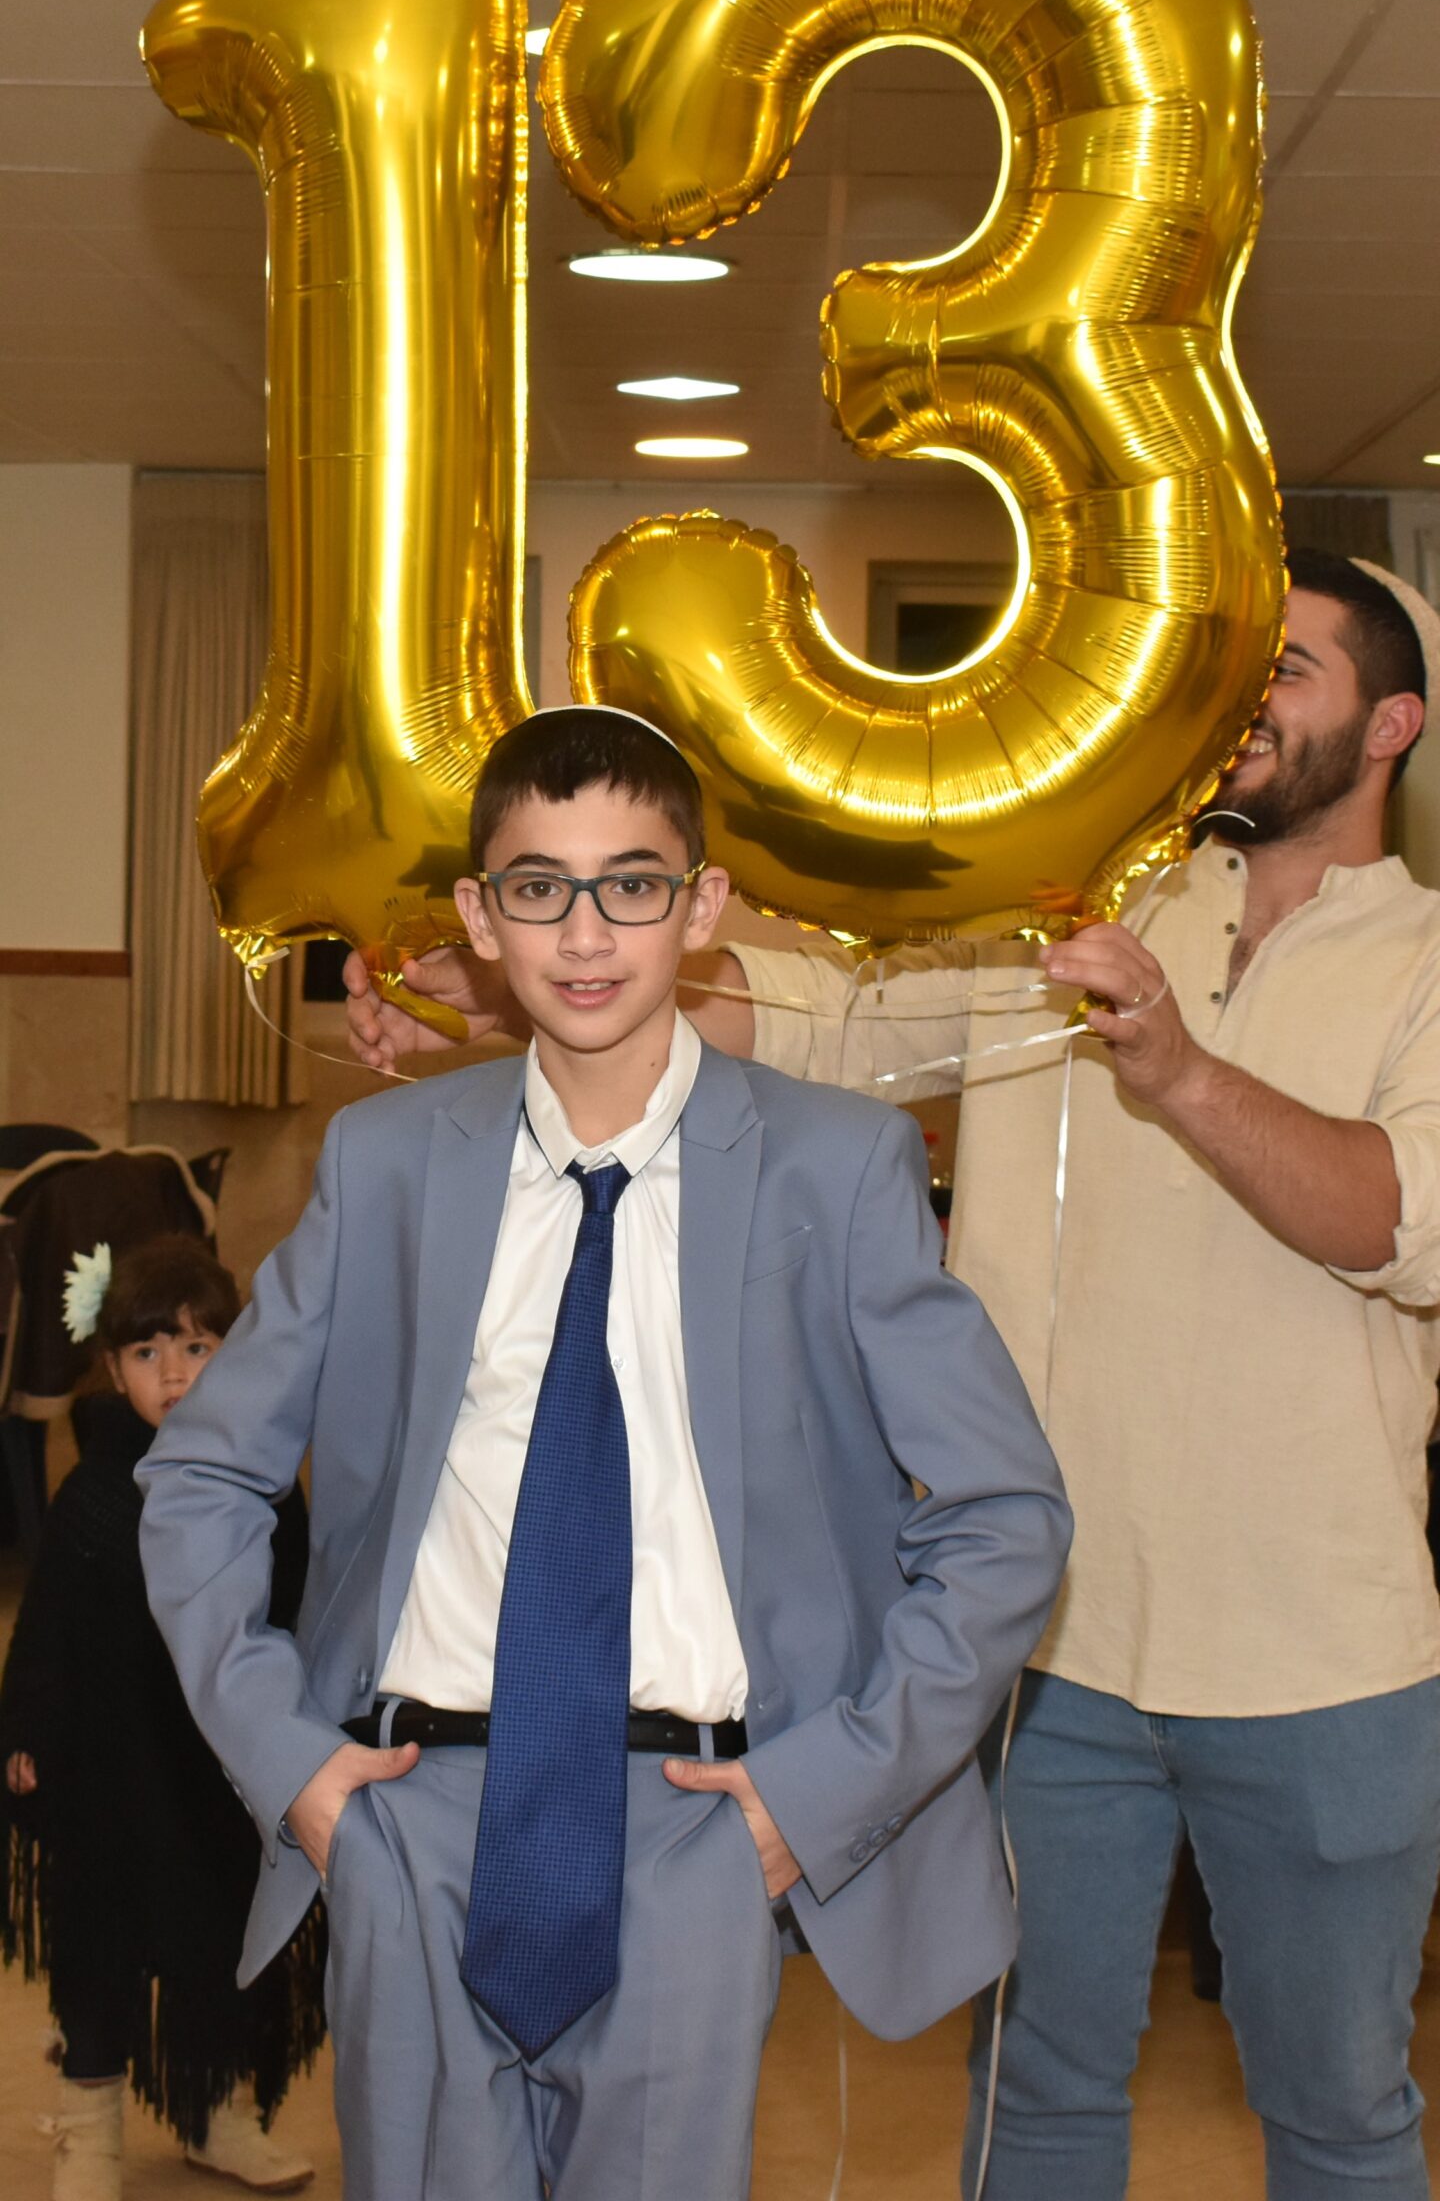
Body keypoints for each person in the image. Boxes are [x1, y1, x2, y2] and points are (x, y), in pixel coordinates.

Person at [347, 555, 1440, 2201]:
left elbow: (1402, 1221)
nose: (1239, 704)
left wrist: (1177, 1069)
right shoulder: (1085, 912)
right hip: (1050, 1655)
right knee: (1033, 2095)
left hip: (1326, 1657)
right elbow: (826, 1024)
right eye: (1227, 670)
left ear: (1393, 723)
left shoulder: (1425, 954)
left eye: (1283, 670)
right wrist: (513, 996)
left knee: (1341, 2111)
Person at [138, 706, 1069, 2201]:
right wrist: (290, 1761)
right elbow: (201, 1476)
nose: (585, 933)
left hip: (697, 1827)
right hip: (411, 1809)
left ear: (701, 906)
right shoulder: (386, 1166)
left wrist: (817, 1792)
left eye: (631, 883)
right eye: (539, 887)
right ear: (478, 915)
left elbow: (1004, 1513)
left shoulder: (837, 1166)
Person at [0, 1234, 320, 2201]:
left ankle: (217, 2111)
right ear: (113, 1369)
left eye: (196, 1347)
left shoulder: (265, 1485)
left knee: (219, 1946)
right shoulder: (95, 1491)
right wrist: (26, 1732)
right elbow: (48, 1626)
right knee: (97, 1952)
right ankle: (87, 2132)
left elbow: (300, 1613)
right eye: (148, 1353)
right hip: (104, 1768)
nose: (174, 1373)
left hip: (216, 1774)